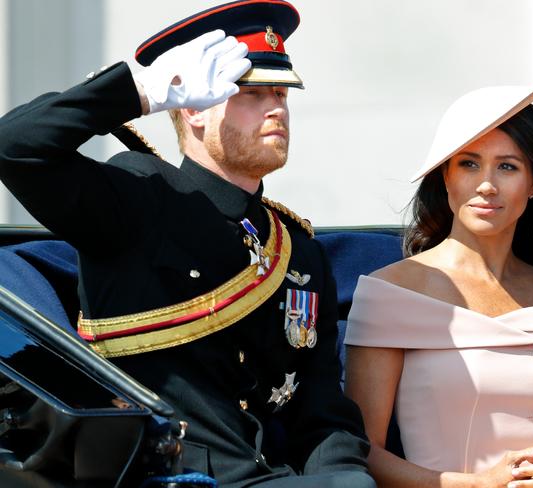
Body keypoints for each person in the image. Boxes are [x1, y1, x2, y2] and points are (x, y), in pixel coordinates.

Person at [0, 2, 375, 487]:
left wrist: (342, 477)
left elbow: (323, 413)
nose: (276, 107)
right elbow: (16, 146)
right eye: (253, 93)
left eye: (281, 92)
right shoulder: (140, 196)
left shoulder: (298, 252)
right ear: (195, 108)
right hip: (165, 474)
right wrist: (136, 92)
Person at [344, 51, 533, 488]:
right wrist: (477, 485)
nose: (486, 184)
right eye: (468, 164)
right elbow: (361, 451)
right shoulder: (389, 292)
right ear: (446, 177)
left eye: (507, 166)